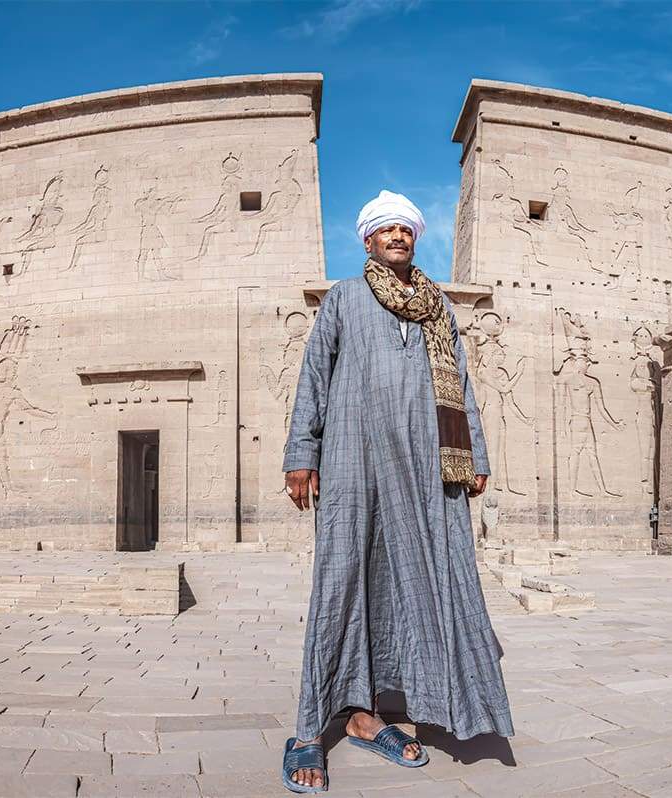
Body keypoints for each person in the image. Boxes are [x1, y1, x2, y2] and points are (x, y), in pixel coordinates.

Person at [279, 190, 515, 793]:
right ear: (367, 241)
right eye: (384, 229)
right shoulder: (345, 300)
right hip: (354, 460)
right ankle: (309, 729)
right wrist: (301, 454)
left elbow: (458, 386)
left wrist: (476, 456)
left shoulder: (438, 310)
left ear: (415, 238)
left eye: (404, 229)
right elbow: (313, 377)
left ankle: (366, 715)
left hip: (424, 468)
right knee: (342, 578)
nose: (396, 236)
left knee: (419, 579)